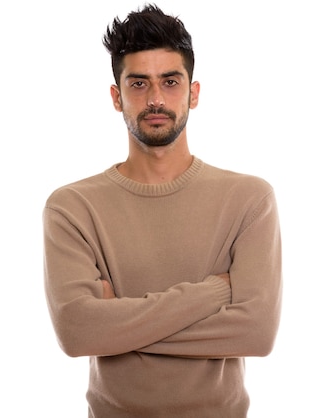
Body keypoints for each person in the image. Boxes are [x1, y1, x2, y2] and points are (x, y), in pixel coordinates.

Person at [42, 4, 283, 417]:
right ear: (117, 97)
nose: (155, 99)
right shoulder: (73, 207)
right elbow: (77, 333)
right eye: (139, 84)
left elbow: (257, 332)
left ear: (194, 92)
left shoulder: (249, 199)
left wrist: (116, 326)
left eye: (170, 81)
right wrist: (218, 291)